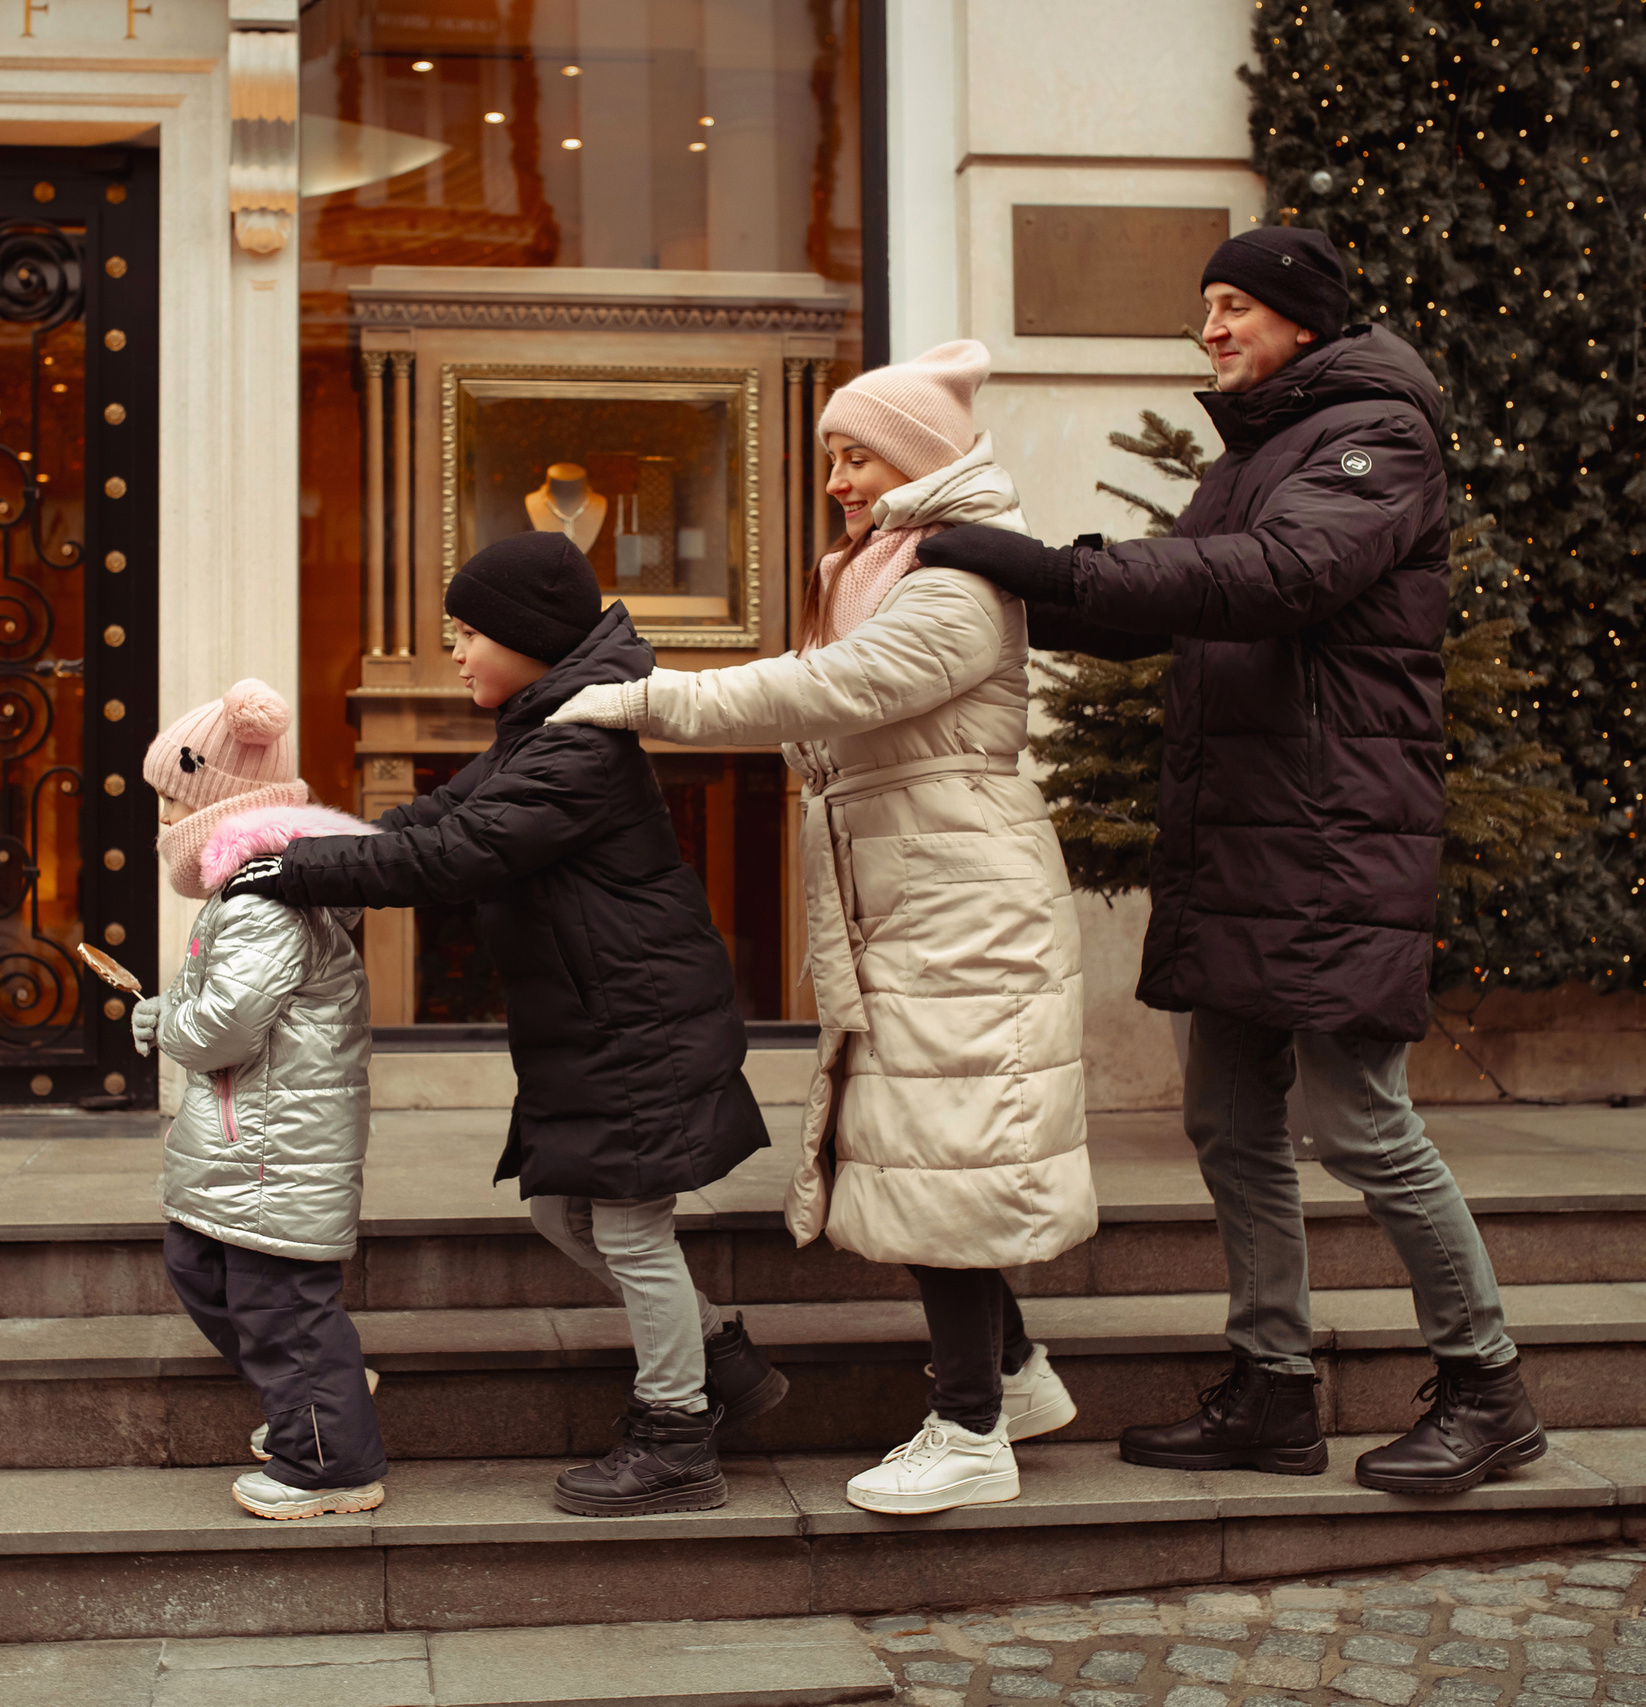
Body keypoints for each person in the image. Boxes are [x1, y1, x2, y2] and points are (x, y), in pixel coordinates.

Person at [913, 226, 1545, 1495]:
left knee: (1360, 1122)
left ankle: (1488, 1388)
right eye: (1204, 305)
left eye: (1234, 306)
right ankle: (1271, 1389)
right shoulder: (1266, 448)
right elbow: (1185, 611)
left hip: (1331, 830)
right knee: (1226, 1120)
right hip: (1249, 827)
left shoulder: (1379, 437)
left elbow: (1277, 576)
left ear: (1303, 322)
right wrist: (1024, 603)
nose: (1209, 328)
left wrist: (1055, 567)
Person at [542, 340, 1092, 1516]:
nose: (839, 478)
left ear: (921, 460)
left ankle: (969, 1433)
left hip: (959, 904)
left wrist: (645, 701)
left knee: (935, 1147)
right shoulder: (878, 566)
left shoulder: (949, 584)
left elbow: (827, 689)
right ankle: (1014, 1372)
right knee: (924, 1141)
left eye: (862, 455)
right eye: (834, 456)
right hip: (914, 893)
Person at [222, 531, 788, 1518]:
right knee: (560, 1210)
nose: (455, 650)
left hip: (633, 1025)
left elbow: (459, 855)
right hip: (605, 1021)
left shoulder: (577, 744)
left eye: (469, 631)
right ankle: (718, 1366)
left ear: (528, 638)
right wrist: (306, 841)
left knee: (627, 1226)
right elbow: (431, 824)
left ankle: (676, 1434)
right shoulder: (546, 724)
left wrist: (294, 870)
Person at [132, 678, 392, 1520]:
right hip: (257, 1135)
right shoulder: (254, 890)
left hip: (274, 1145)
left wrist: (169, 1020)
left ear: (212, 810)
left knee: (280, 1305)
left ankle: (326, 1458)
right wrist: (165, 1014)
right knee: (198, 1262)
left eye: (171, 806)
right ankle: (325, 1392)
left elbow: (223, 1027)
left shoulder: (263, 901)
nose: (162, 824)